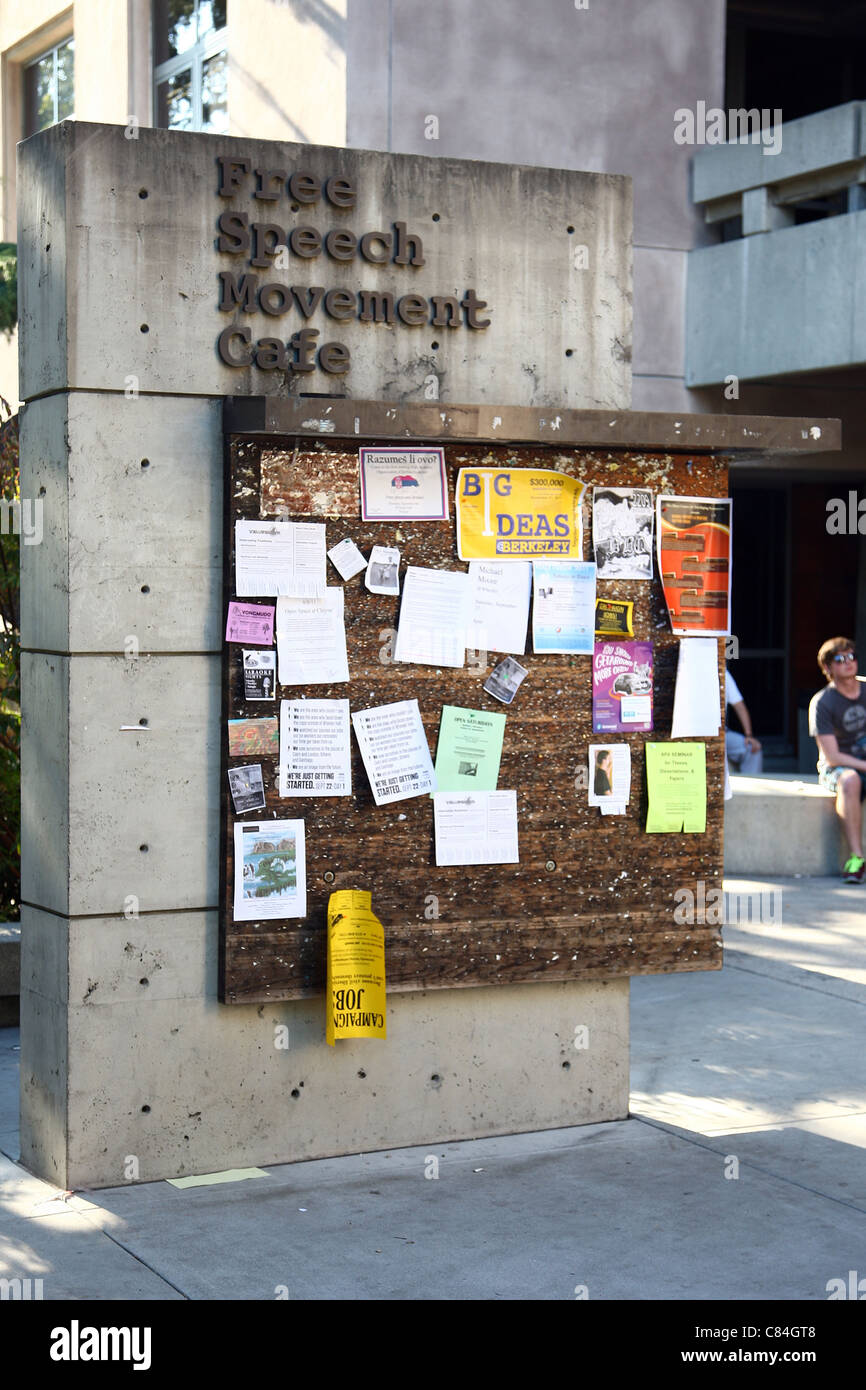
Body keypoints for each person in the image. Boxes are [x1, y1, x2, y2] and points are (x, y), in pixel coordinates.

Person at [808, 637, 866, 884]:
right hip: (839, 767)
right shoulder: (822, 702)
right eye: (840, 659)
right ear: (828, 668)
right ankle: (857, 858)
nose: (848, 663)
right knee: (850, 780)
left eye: (851, 656)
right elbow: (831, 756)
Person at [725, 667, 763, 775]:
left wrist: (749, 735)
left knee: (752, 749)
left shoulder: (721, 671)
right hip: (690, 735)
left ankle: (753, 790)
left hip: (721, 734)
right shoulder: (684, 670)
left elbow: (739, 706)